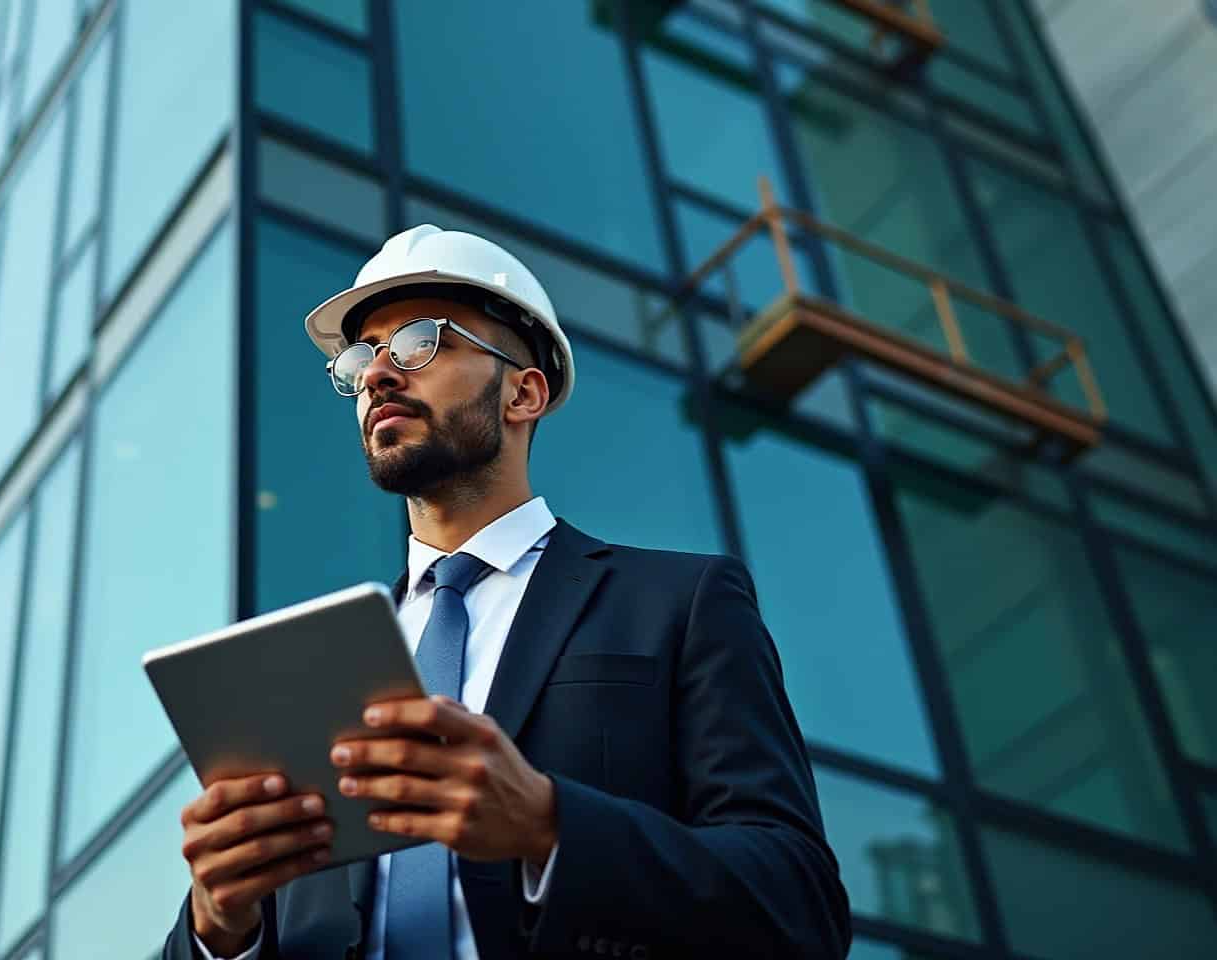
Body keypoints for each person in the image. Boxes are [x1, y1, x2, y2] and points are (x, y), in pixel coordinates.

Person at [163, 224, 851, 959]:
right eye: (362, 356)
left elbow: (797, 902)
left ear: (524, 391)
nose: (376, 375)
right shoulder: (315, 674)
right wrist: (216, 925)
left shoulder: (678, 603)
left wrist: (551, 827)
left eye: (422, 341)